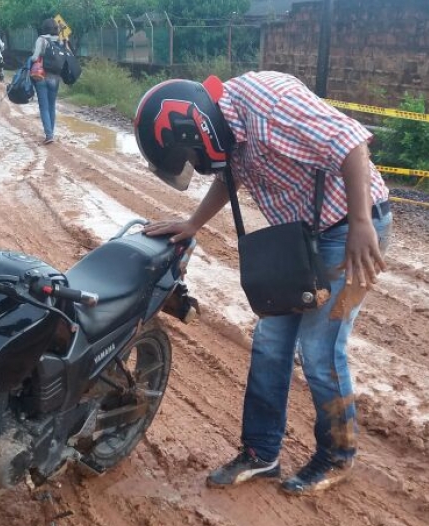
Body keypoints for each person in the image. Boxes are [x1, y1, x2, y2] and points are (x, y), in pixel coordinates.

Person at [136, 72, 392, 495]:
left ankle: (337, 456)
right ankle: (261, 453)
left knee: (320, 350)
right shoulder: (224, 125)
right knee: (271, 342)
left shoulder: (270, 106)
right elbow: (227, 176)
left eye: (194, 156)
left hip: (351, 229)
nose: (198, 164)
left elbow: (352, 143)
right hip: (303, 236)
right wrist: (193, 223)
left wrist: (362, 223)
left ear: (197, 127)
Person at [29, 18, 63, 144]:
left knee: (44, 106)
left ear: (44, 28)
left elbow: (35, 57)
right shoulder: (60, 40)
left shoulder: (41, 39)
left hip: (41, 75)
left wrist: (32, 56)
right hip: (55, 77)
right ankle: (51, 133)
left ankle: (49, 135)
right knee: (51, 106)